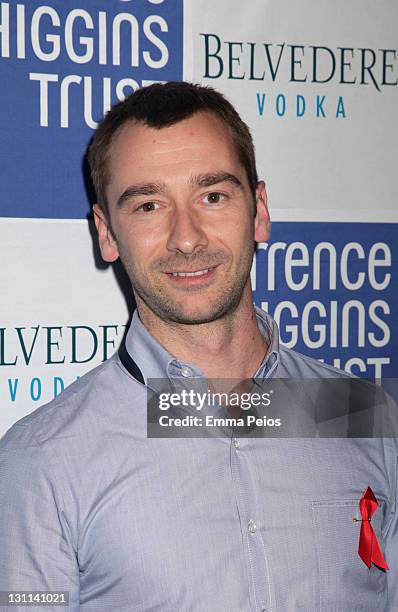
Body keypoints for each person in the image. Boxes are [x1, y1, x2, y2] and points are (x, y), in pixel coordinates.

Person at [0, 81, 396, 611]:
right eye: (147, 205)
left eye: (213, 196)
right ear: (107, 233)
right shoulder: (43, 462)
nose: (186, 238)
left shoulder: (362, 414)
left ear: (258, 210)